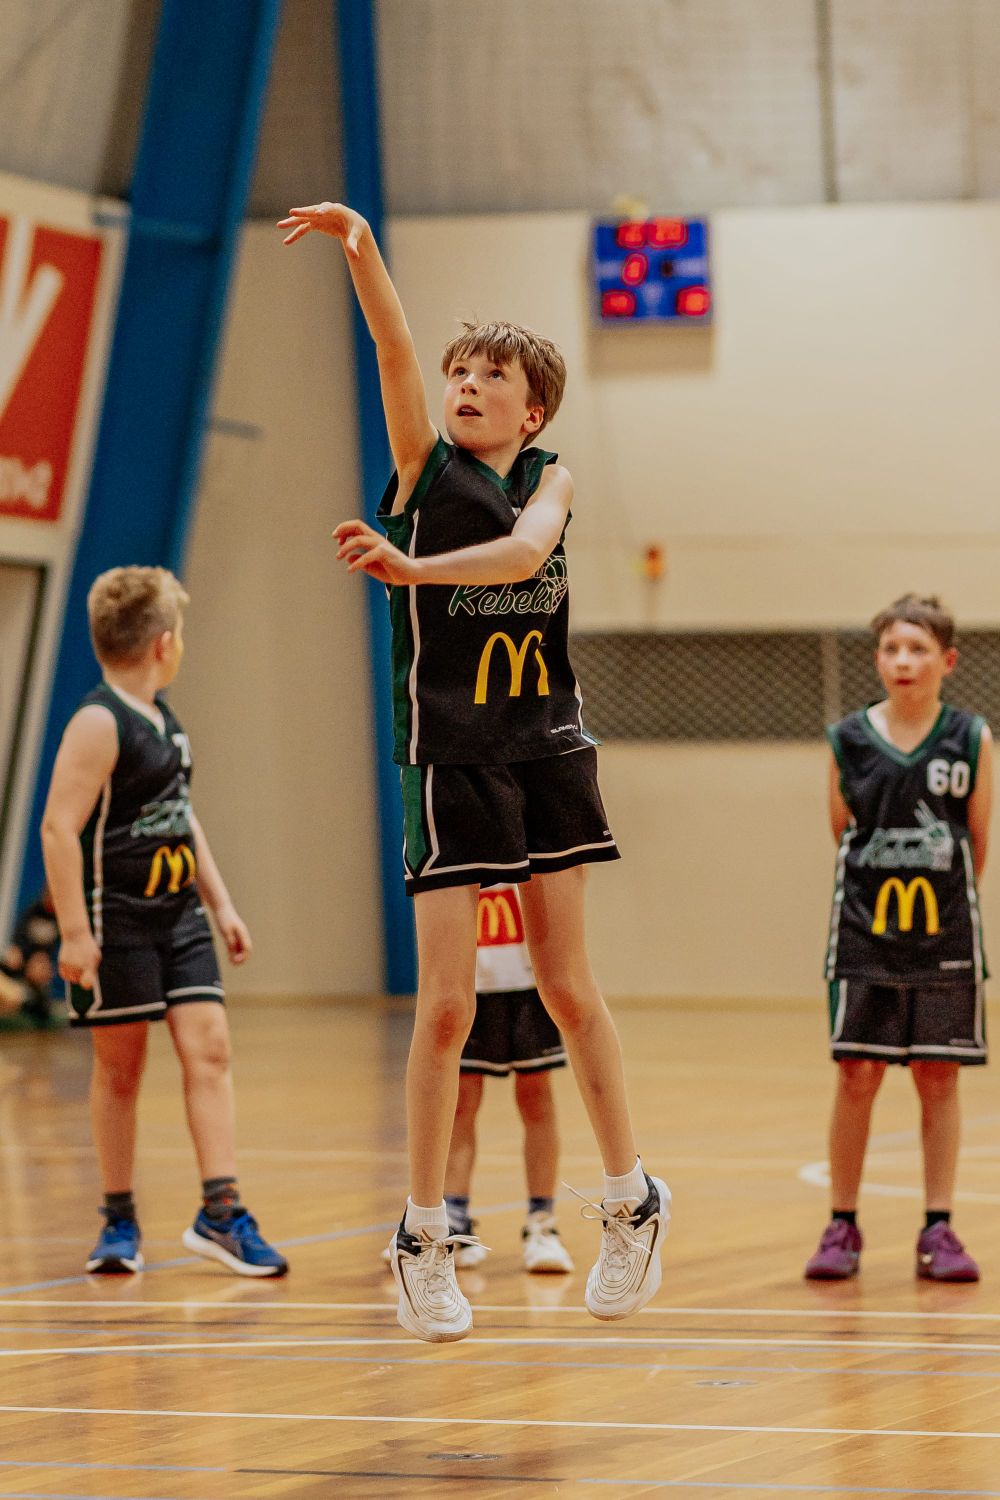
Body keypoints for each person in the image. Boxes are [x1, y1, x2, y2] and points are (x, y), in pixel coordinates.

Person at [280, 199, 668, 1343]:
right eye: (460, 371)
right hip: (446, 757)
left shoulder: (550, 477)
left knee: (565, 985)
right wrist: (362, 249)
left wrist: (410, 573)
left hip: (544, 749)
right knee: (446, 1005)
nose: (465, 384)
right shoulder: (421, 468)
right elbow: (391, 347)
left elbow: (526, 550)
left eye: (491, 375)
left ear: (530, 408)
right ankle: (421, 1237)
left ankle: (631, 1200)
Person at [41, 566, 287, 1278]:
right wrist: (76, 933)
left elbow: (181, 816)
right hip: (115, 919)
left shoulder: (163, 719)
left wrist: (221, 902)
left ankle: (221, 1213)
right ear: (163, 643)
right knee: (121, 1069)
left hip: (179, 916)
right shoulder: (99, 722)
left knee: (209, 1050)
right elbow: (58, 828)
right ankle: (118, 1220)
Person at [808, 594, 991, 1283]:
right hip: (865, 934)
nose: (903, 661)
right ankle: (842, 1224)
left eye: (918, 649)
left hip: (945, 935)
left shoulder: (970, 738)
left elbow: (977, 840)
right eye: (891, 649)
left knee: (938, 1077)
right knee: (857, 1075)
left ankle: (938, 1228)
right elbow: (841, 833)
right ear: (878, 659)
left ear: (947, 660)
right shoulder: (847, 739)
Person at [386, 883, 574, 1273]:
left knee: (536, 1098)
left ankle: (542, 1222)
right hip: (469, 982)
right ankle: (454, 1217)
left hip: (529, 980)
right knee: (460, 1102)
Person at [0, 887, 61, 1028]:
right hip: (21, 961)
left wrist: (43, 961)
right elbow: (19, 938)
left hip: (37, 965)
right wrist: (19, 953)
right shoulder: (33, 910)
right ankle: (21, 998)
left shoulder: (58, 919)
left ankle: (27, 1001)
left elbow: (51, 948)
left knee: (42, 1010)